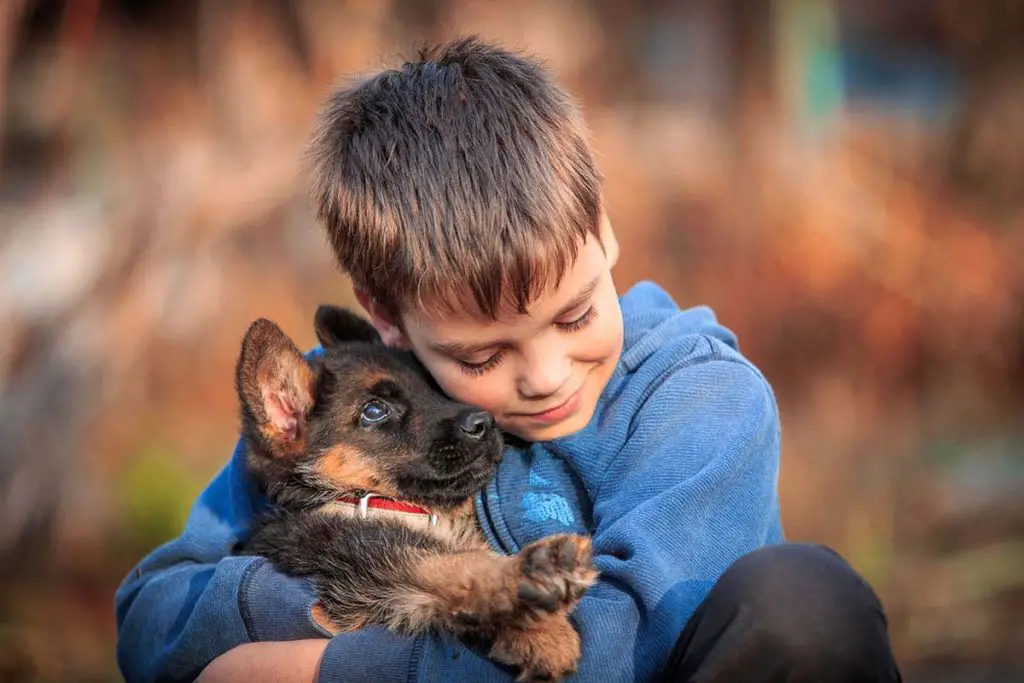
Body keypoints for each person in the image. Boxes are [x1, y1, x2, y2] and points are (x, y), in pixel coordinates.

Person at [115, 36, 902, 683]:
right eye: (483, 354)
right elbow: (154, 612)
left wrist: (320, 667)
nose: (548, 374)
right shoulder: (358, 394)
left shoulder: (700, 399)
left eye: (578, 313)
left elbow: (604, 650)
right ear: (388, 319)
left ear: (603, 228)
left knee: (805, 602)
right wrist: (292, 611)